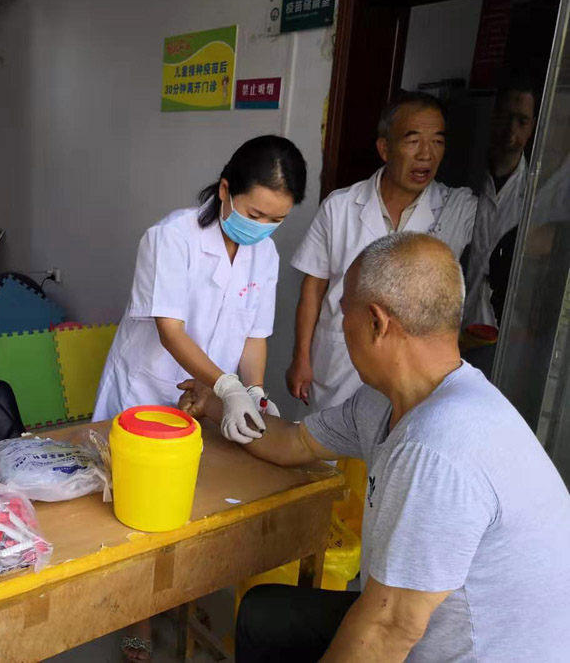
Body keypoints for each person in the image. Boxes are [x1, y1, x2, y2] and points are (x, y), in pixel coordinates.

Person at [181, 232, 570, 662]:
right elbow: (295, 441)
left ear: (377, 323)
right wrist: (218, 405)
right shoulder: (387, 401)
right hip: (424, 627)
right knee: (265, 614)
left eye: (343, 311)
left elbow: (389, 631)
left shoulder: (439, 445)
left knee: (370, 626)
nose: (340, 325)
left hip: (474, 652)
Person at [92, 135, 306, 661]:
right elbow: (171, 331)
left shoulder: (265, 253)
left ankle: (177, 598)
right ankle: (136, 622)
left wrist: (254, 391)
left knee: (193, 504)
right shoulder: (171, 238)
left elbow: (254, 336)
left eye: (277, 219)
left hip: (207, 397)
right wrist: (227, 387)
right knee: (140, 516)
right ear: (226, 190)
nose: (263, 227)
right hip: (148, 389)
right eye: (256, 214)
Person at [286, 92, 477, 411]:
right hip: (341, 362)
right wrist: (301, 357)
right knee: (327, 439)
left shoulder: (458, 209)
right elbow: (313, 287)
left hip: (411, 371)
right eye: (413, 141)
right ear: (385, 149)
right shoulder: (340, 206)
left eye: (437, 142)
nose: (426, 154)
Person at [463, 77, 536, 332]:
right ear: (494, 117)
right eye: (506, 117)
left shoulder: (535, 194)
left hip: (500, 329)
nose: (511, 130)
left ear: (532, 125)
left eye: (522, 121)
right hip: (448, 321)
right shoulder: (464, 179)